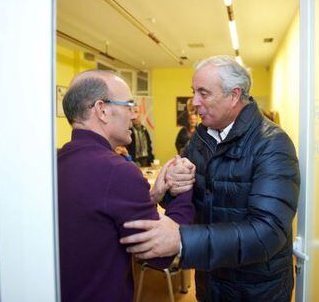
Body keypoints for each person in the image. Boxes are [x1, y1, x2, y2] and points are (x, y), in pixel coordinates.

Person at [121, 56, 301, 301]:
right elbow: (188, 200)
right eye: (194, 92)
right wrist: (173, 185)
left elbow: (267, 233)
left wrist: (182, 240)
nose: (194, 102)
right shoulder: (202, 137)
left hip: (255, 289)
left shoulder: (272, 144)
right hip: (211, 282)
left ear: (234, 95)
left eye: (203, 93)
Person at [57, 69, 195, 302]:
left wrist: (152, 196)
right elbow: (160, 255)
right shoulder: (118, 172)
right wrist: (183, 188)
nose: (134, 115)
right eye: (129, 105)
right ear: (102, 110)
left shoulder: (56, 162)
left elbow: (98, 217)